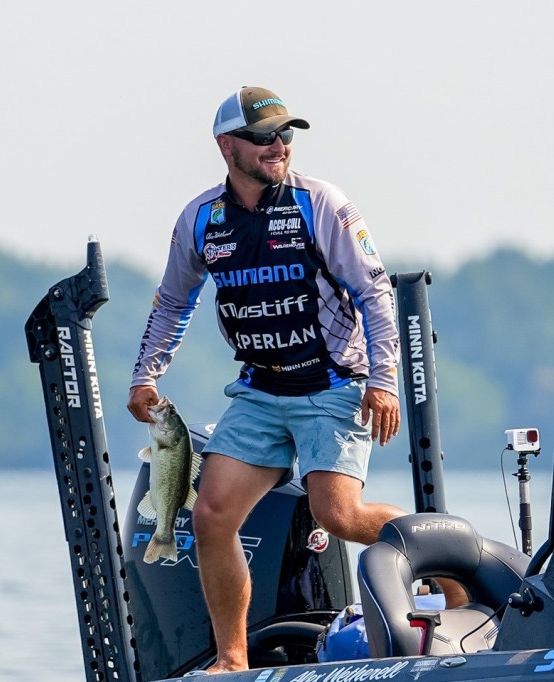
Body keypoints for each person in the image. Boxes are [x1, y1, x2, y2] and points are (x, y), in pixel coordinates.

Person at [127, 86, 462, 673]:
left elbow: (375, 294)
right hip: (260, 390)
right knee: (210, 515)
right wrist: (145, 376)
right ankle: (233, 661)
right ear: (227, 146)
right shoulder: (201, 219)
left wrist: (383, 380)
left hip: (332, 383)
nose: (279, 146)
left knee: (338, 514)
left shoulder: (320, 203)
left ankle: (457, 563)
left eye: (286, 134)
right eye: (264, 137)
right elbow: (173, 301)